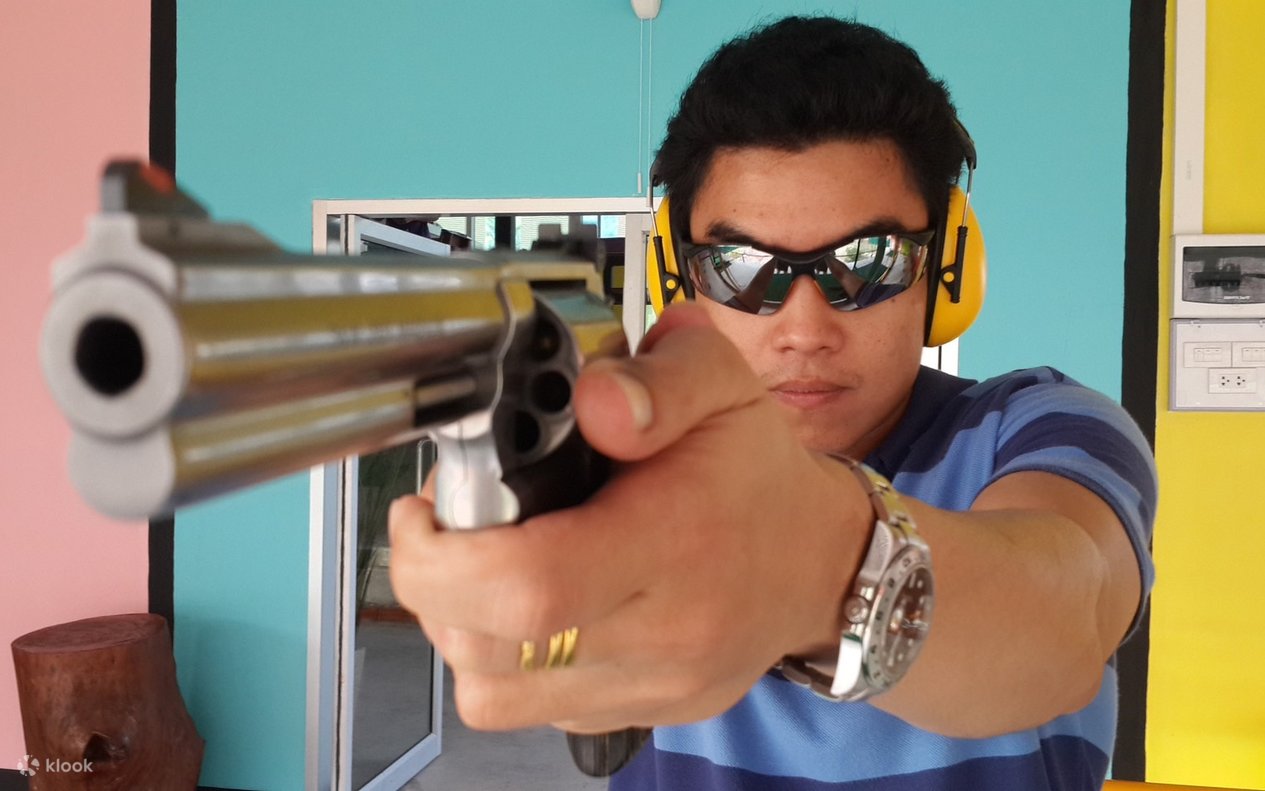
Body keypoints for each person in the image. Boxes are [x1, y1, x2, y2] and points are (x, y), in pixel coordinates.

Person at [388, 15, 1157, 790]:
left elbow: (1067, 618)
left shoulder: (1045, 425)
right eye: (740, 267)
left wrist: (816, 564)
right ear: (677, 276)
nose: (804, 330)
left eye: (868, 262)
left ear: (946, 268)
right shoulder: (629, 458)